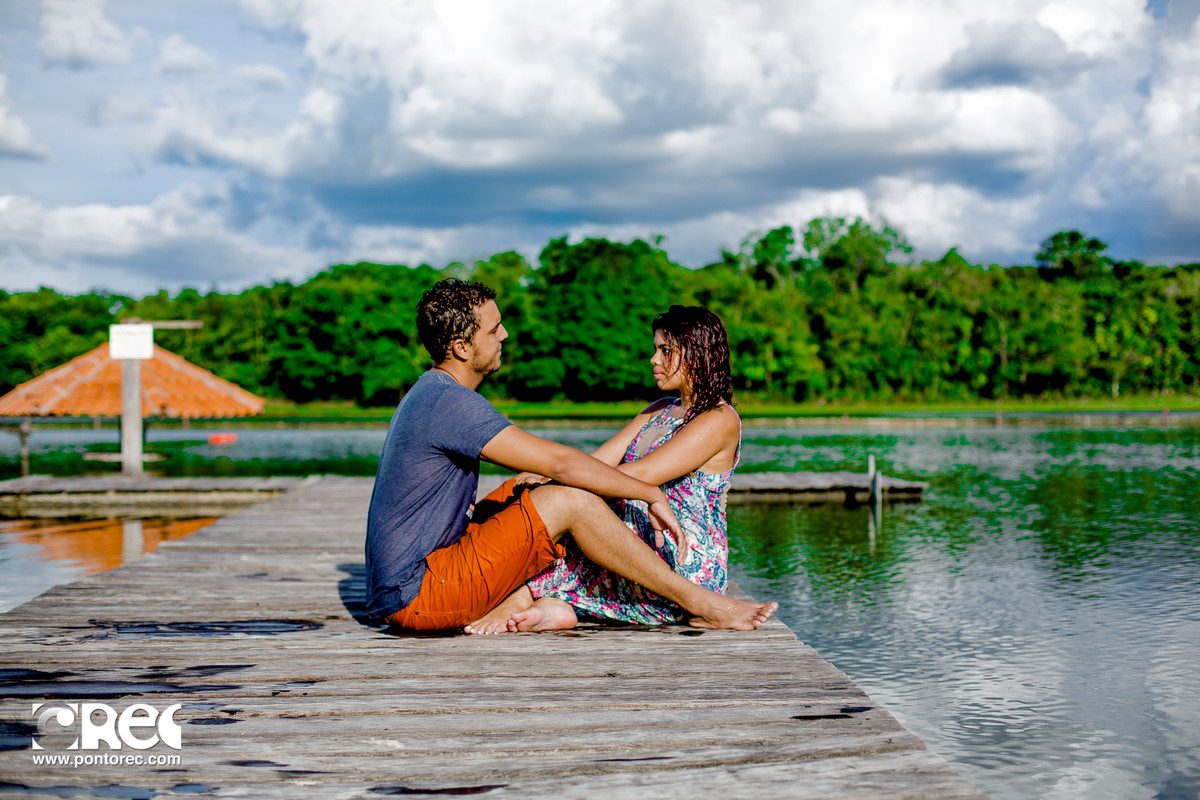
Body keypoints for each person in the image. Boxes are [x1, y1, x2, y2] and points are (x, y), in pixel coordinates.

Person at [364, 278, 777, 634]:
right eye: (493, 330)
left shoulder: (434, 393)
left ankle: (542, 601)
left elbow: (574, 468)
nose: (504, 335)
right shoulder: (451, 402)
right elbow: (565, 465)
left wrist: (548, 482)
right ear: (461, 347)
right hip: (419, 592)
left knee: (524, 487)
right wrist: (650, 495)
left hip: (410, 584)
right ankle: (701, 604)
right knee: (567, 499)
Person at [485, 306, 743, 632]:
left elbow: (642, 475)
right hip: (628, 550)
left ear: (698, 353)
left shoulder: (719, 419)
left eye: (666, 351)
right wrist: (548, 477)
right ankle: (554, 607)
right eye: (655, 349)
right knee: (565, 532)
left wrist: (555, 487)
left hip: (679, 563)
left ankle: (530, 599)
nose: (654, 359)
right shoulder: (658, 411)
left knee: (572, 523)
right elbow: (597, 463)